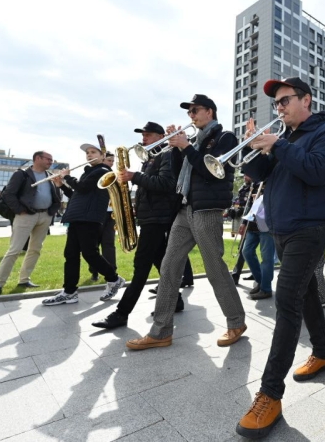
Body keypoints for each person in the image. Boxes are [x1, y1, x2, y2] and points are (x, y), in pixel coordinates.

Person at [236, 76, 325, 438]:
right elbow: (257, 175)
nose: (278, 108)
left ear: (306, 100)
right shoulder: (288, 139)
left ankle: (270, 393)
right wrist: (251, 147)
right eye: (276, 103)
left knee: (286, 299)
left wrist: (278, 145)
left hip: (310, 227)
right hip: (282, 227)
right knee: (305, 291)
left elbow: (319, 171)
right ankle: (324, 352)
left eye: (284, 101)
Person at [126, 94, 246, 350]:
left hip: (208, 210)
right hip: (185, 208)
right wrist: (178, 146)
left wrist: (187, 147)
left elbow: (211, 172)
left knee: (214, 268)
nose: (191, 116)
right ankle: (160, 332)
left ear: (210, 112)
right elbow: (182, 169)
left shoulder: (225, 138)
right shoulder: (193, 140)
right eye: (188, 112)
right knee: (169, 268)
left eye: (195, 110)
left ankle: (236, 322)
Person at [92, 122, 182, 329]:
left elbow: (166, 184)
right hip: (150, 217)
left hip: (158, 219)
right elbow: (148, 187)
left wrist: (134, 177)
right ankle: (176, 300)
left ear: (160, 137)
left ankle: (121, 313)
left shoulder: (167, 155)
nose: (144, 139)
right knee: (160, 262)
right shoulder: (150, 158)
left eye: (148, 135)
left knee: (141, 267)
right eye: (143, 135)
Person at [42, 144, 126, 306]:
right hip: (78, 217)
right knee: (71, 254)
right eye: (87, 153)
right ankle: (69, 291)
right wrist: (61, 186)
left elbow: (83, 187)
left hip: (90, 219)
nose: (89, 155)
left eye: (93, 152)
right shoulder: (89, 172)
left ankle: (114, 279)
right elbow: (77, 195)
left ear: (102, 156)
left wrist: (67, 177)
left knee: (90, 253)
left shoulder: (103, 172)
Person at [0, 151, 63, 296]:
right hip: (26, 215)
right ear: (37, 158)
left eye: (52, 159)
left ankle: (24, 279)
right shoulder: (21, 174)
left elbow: (55, 194)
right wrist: (20, 210)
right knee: (14, 250)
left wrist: (53, 208)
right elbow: (8, 194)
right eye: (48, 159)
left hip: (45, 215)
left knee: (35, 249)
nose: (51, 162)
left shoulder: (50, 176)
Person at [242, 181, 276, 301]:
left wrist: (263, 198)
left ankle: (266, 289)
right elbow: (248, 206)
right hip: (253, 224)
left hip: (267, 226)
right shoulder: (254, 184)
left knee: (266, 258)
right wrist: (244, 222)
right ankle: (260, 282)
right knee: (247, 252)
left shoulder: (273, 180)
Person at [94, 152, 117, 281]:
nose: (111, 163)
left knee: (109, 243)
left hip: (111, 213)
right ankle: (95, 271)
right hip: (98, 213)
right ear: (102, 160)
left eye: (113, 161)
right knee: (95, 244)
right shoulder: (96, 174)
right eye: (109, 160)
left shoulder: (115, 175)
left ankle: (112, 270)